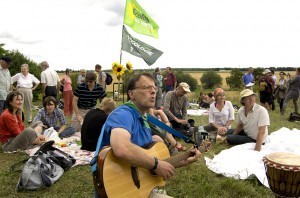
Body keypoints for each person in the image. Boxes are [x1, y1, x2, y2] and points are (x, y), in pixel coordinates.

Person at [95, 73, 200, 197]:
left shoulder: (144, 118)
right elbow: (121, 148)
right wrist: (155, 164)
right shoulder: (123, 114)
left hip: (140, 190)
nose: (153, 92)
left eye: (154, 88)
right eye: (146, 87)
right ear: (131, 94)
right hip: (119, 189)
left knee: (156, 139)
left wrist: (185, 159)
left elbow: (152, 162)